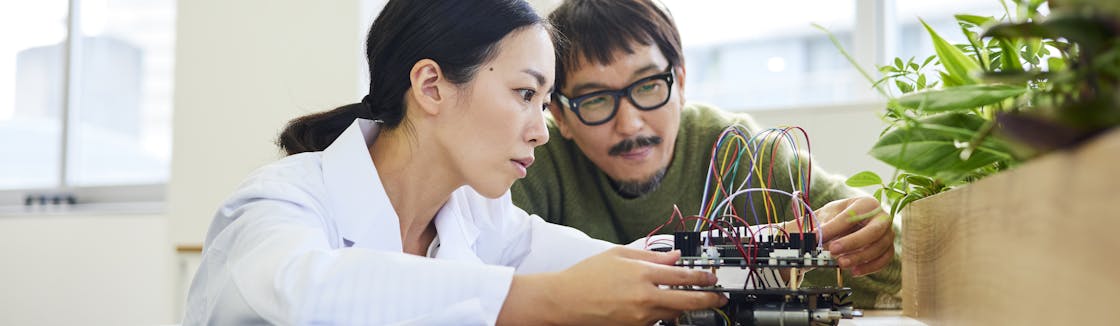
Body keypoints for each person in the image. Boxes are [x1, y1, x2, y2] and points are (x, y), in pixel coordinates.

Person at [182, 1, 728, 324]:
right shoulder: (278, 203)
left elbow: (618, 263)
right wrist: (549, 301)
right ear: (431, 86)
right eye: (523, 94)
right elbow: (308, 295)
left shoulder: (477, 215)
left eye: (544, 103)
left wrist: (782, 240)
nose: (541, 132)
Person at [511, 0, 902, 308]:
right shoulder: (530, 160)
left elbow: (893, 272)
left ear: (680, 82)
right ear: (558, 113)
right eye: (595, 99)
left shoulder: (747, 153)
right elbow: (487, 288)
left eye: (648, 86)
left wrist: (870, 236)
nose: (630, 125)